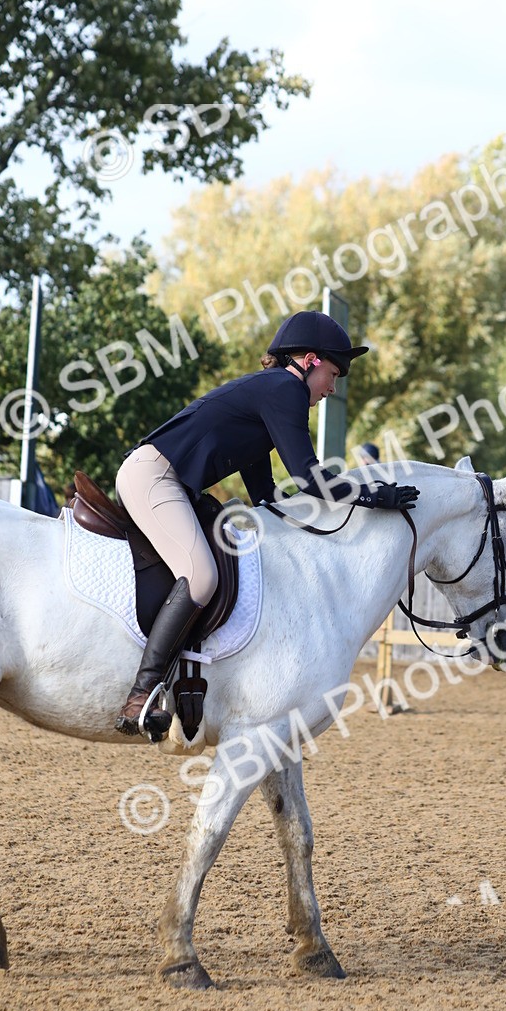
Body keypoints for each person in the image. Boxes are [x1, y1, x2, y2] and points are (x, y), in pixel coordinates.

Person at [113, 312, 419, 741]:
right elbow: (309, 478)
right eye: (333, 374)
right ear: (310, 360)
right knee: (201, 576)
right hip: (155, 476)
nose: (333, 388)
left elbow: (266, 497)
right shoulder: (283, 389)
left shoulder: (271, 394)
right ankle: (141, 693)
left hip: (172, 480)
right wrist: (374, 496)